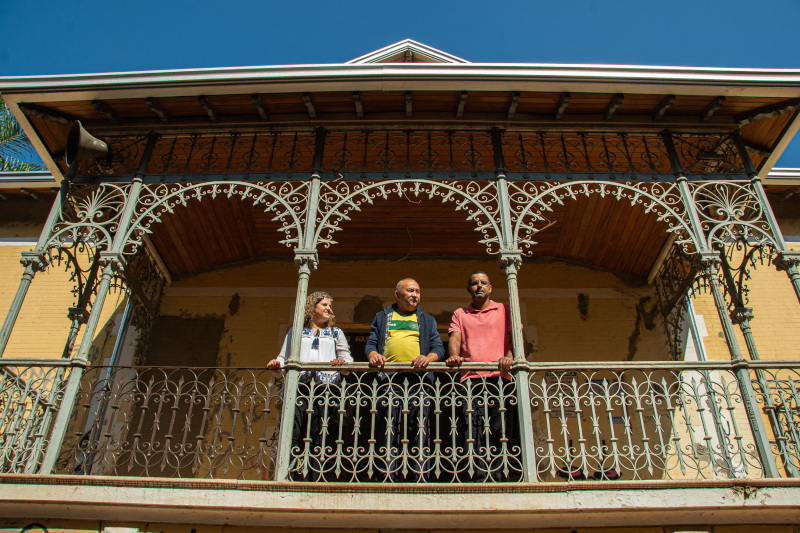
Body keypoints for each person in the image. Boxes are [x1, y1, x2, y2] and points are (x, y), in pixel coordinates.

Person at [366, 278, 445, 481]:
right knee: (389, 427)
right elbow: (371, 344)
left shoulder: (427, 320)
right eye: (410, 291)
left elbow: (438, 349)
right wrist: (374, 355)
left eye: (418, 291)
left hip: (419, 382)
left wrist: (426, 358)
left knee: (419, 428)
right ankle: (387, 475)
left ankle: (419, 476)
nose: (415, 295)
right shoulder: (383, 316)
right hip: (389, 381)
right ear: (397, 294)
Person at [267, 291, 352, 481]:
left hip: (325, 387)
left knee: (319, 434)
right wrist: (275, 365)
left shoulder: (335, 332)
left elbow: (347, 362)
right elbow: (283, 358)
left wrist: (341, 363)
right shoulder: (296, 331)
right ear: (312, 308)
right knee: (295, 432)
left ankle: (313, 477)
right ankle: (291, 474)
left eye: (330, 305)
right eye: (324, 305)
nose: (329, 308)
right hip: (299, 387)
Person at [446, 271, 516, 482]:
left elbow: (515, 338)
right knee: (472, 426)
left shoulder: (504, 309)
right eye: (474, 283)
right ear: (469, 289)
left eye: (483, 283)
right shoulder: (460, 313)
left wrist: (510, 357)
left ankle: (499, 474)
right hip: (471, 379)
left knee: (499, 427)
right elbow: (455, 339)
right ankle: (476, 475)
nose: (479, 286)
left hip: (500, 377)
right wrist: (454, 356)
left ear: (490, 288)